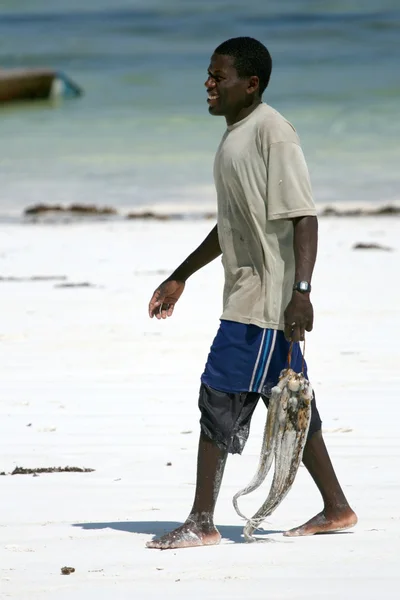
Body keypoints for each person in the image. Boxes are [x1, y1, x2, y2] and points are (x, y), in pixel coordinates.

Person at [146, 37, 357, 550]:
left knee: (219, 395)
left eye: (219, 75)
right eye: (209, 74)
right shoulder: (236, 136)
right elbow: (230, 227)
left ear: (252, 83)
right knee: (289, 404)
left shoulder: (272, 133)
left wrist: (301, 292)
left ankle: (202, 520)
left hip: (263, 305)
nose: (209, 83)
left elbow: (303, 216)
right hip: (249, 298)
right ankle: (337, 508)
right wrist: (181, 275)